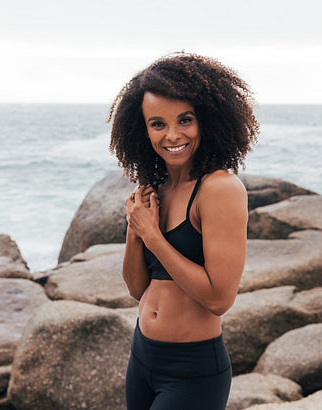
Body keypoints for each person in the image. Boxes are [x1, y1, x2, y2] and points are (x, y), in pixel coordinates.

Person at [108, 52, 259, 410]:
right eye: (157, 124)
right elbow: (137, 288)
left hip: (191, 371)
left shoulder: (219, 188)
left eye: (185, 120)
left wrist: (155, 238)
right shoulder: (157, 188)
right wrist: (136, 230)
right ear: (142, 130)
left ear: (207, 121)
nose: (172, 135)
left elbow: (219, 299)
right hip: (143, 356)